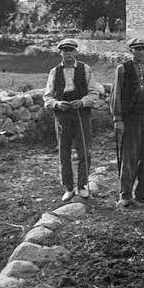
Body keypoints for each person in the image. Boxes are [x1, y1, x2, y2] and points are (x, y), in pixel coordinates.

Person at [43, 38, 102, 203]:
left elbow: (94, 93)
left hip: (81, 114)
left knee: (84, 150)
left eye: (70, 50)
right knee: (64, 152)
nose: (67, 53)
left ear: (75, 52)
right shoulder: (54, 72)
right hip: (62, 115)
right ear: (60, 52)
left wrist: (82, 102)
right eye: (64, 50)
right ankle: (68, 188)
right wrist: (56, 103)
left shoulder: (85, 69)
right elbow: (47, 96)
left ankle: (82, 185)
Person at [110, 37, 144, 207]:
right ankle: (125, 195)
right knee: (129, 157)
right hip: (130, 118)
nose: (140, 52)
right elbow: (116, 93)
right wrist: (118, 118)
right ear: (131, 51)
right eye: (137, 49)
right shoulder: (123, 69)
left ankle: (143, 193)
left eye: (143, 49)